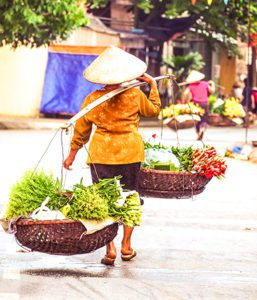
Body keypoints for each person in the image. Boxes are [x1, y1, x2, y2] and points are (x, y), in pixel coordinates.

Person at [63, 46, 161, 265]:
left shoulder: (93, 100)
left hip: (101, 155)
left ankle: (111, 249)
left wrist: (71, 155)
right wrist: (152, 85)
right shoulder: (135, 95)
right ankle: (127, 246)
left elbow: (81, 130)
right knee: (129, 198)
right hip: (130, 153)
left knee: (105, 201)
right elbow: (153, 110)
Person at [182, 70, 215, 140]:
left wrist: (184, 101)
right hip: (205, 104)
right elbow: (212, 91)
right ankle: (202, 130)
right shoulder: (205, 84)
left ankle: (198, 133)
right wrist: (212, 84)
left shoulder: (191, 86)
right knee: (204, 119)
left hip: (195, 105)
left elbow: (185, 94)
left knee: (197, 119)